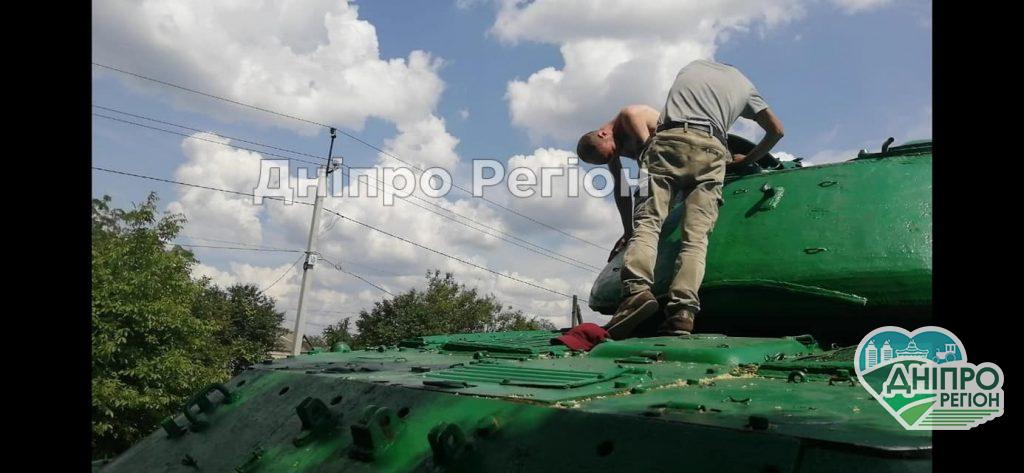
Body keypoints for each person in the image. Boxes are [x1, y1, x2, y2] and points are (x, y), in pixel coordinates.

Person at [604, 59, 785, 339]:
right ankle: (682, 313)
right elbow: (777, 131)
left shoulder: (690, 67)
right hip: (714, 150)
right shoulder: (746, 86)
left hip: (670, 139)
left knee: (649, 224)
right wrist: (747, 159)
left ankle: (636, 293)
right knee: (696, 237)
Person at [576, 104, 661, 262]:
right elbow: (622, 188)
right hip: (659, 166)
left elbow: (651, 156)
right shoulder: (610, 146)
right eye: (608, 158)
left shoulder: (631, 116)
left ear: (603, 134)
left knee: (644, 188)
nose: (615, 156)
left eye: (612, 153)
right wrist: (628, 231)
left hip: (677, 152)